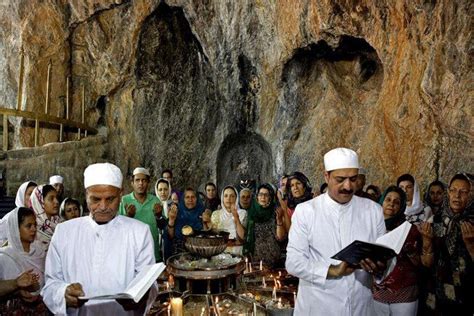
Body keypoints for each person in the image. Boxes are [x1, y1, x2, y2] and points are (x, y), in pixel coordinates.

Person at [41, 162, 156, 315]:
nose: (103, 206)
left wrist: (143, 295)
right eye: (95, 199)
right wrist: (63, 292)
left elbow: (148, 282)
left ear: (121, 194)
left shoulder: (139, 232)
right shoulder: (64, 233)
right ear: (86, 195)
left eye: (110, 199)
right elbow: (50, 284)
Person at [286, 147, 386, 315]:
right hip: (318, 307)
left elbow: (385, 257)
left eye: (353, 179)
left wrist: (380, 267)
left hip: (360, 307)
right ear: (326, 176)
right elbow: (293, 262)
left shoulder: (373, 211)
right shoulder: (306, 211)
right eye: (340, 179)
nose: (348, 186)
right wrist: (333, 271)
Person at [372, 186, 431, 316]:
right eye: (388, 199)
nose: (391, 203)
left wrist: (407, 248)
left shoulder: (410, 230)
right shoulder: (372, 226)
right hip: (378, 292)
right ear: (382, 202)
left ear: (402, 206)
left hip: (404, 293)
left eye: (397, 202)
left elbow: (420, 263)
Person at [421, 173, 473, 315]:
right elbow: (426, 263)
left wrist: (470, 245)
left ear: (471, 195)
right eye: (453, 190)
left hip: (465, 298)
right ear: (448, 193)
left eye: (463, 192)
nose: (457, 195)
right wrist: (427, 242)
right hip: (436, 299)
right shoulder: (435, 220)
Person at [0, 207, 48, 315]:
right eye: (28, 226)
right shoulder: (4, 256)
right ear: (15, 229)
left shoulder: (40, 252)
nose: (34, 229)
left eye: (35, 225)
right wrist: (16, 286)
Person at [119, 167, 164, 262]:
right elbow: (117, 229)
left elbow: (162, 226)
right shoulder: (124, 201)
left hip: (152, 252)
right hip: (130, 254)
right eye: (137, 180)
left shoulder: (155, 201)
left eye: (144, 180)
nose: (141, 183)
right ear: (132, 183)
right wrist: (128, 217)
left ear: (148, 183)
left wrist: (159, 216)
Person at [244, 183, 287, 267]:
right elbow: (247, 236)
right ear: (257, 197)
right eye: (260, 194)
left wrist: (278, 220)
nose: (263, 197)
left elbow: (280, 238)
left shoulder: (276, 211)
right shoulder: (251, 212)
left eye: (266, 195)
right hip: (256, 260)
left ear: (270, 197)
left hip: (274, 259)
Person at [165, 188, 208, 256]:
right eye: (187, 197)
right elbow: (171, 236)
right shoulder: (176, 212)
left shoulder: (202, 212)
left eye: (193, 197)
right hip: (179, 253)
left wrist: (205, 222)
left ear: (197, 199)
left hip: (199, 251)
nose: (190, 200)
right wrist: (171, 220)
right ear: (183, 199)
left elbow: (207, 236)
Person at [210, 186, 246, 255]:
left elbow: (242, 237)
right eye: (226, 196)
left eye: (232, 196)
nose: (228, 199)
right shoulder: (216, 214)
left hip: (237, 252)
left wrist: (236, 217)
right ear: (222, 198)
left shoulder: (242, 213)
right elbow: (212, 237)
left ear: (236, 198)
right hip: (219, 252)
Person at [0, 181, 37, 245]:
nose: (34, 197)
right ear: (22, 196)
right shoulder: (11, 218)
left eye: (36, 194)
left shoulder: (41, 216)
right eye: (30, 194)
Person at [30, 184, 60, 251]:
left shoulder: (61, 224)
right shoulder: (32, 229)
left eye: (57, 198)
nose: (56, 202)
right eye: (51, 199)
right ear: (40, 202)